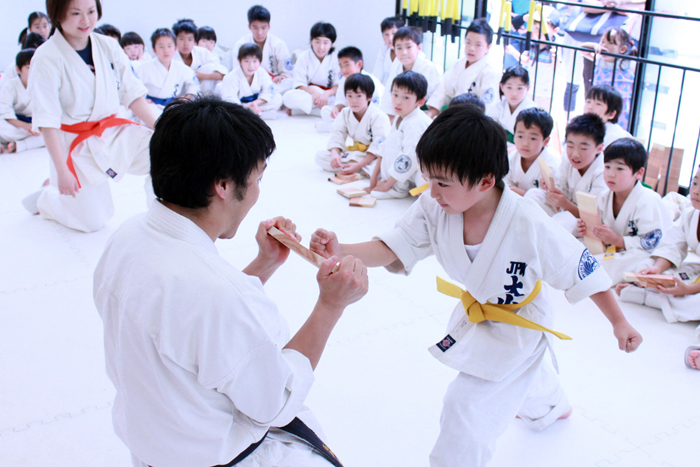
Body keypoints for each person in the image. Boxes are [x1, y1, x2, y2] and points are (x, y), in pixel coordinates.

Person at [310, 104, 642, 467]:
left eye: (443, 183)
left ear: (485, 181)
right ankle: (553, 405)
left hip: (520, 321)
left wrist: (619, 322)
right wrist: (341, 249)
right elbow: (396, 245)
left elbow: (582, 270)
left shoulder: (528, 221)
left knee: (465, 407)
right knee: (521, 373)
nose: (432, 191)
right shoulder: (434, 206)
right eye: (429, 178)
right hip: (481, 313)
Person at [94, 95, 369, 467]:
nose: (256, 193)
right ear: (223, 185)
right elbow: (275, 403)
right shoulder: (217, 294)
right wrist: (330, 305)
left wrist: (264, 263)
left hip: (155, 441)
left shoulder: (127, 237)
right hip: (217, 455)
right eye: (257, 179)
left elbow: (192, 328)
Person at [23, 0, 156, 232]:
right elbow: (47, 122)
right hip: (76, 147)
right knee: (92, 222)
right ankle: (48, 198)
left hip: (113, 132)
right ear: (57, 15)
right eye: (75, 13)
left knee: (168, 152)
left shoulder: (107, 45)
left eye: (91, 11)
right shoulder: (46, 57)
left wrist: (161, 128)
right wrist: (62, 171)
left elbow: (132, 93)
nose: (86, 20)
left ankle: (162, 219)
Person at [617, 165, 700, 336]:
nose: (696, 191)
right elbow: (673, 245)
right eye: (695, 183)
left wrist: (688, 290)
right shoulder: (690, 214)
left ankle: (648, 296)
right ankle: (655, 292)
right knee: (646, 265)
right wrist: (656, 270)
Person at [577, 138, 672, 284]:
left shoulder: (648, 200)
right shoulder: (604, 197)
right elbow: (601, 231)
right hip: (612, 249)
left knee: (634, 259)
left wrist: (619, 241)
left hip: (639, 253)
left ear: (639, 173)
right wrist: (588, 229)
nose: (611, 174)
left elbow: (653, 243)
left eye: (620, 169)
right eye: (607, 167)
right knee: (576, 244)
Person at [524, 113, 607, 234]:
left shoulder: (603, 172)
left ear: (599, 148)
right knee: (533, 195)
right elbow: (560, 186)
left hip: (582, 222)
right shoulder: (567, 159)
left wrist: (565, 204)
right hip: (563, 210)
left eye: (583, 148)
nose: (575, 154)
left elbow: (594, 217)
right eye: (570, 146)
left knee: (564, 222)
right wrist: (549, 188)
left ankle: (541, 233)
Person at [366, 71, 431, 199]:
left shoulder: (416, 122)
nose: (398, 102)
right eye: (395, 95)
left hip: (427, 172)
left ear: (420, 101)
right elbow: (384, 148)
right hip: (415, 168)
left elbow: (409, 157)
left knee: (394, 141)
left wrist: (387, 185)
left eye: (406, 97)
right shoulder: (401, 117)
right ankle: (396, 183)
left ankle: (397, 188)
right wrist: (374, 177)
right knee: (390, 141)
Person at [315, 73, 390, 175]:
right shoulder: (345, 113)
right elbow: (337, 134)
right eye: (349, 96)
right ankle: (359, 169)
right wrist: (335, 154)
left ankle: (358, 168)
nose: (354, 101)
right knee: (320, 156)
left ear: (369, 97)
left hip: (373, 156)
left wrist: (358, 165)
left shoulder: (379, 116)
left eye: (359, 96)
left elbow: (379, 146)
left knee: (384, 167)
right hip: (356, 154)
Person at [427, 19, 500, 118]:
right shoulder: (459, 64)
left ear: (488, 47)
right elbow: (443, 90)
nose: (471, 48)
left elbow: (488, 108)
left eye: (478, 45)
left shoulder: (491, 72)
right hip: (454, 115)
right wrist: (431, 114)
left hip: (474, 120)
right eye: (468, 42)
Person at [316, 46, 384, 133]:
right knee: (325, 110)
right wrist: (336, 109)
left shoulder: (369, 80)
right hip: (352, 112)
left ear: (359, 64)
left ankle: (335, 127)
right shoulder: (344, 80)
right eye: (341, 66)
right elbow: (341, 101)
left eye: (347, 65)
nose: (343, 69)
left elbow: (376, 106)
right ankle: (344, 127)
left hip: (369, 116)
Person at [378, 26, 442, 119]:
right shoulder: (396, 65)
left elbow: (438, 99)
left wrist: (428, 118)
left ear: (419, 48)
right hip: (401, 113)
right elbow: (388, 96)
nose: (404, 52)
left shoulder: (428, 68)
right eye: (399, 48)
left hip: (424, 114)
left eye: (408, 47)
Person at [582, 26, 637, 131]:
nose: (604, 46)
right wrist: (594, 46)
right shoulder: (599, 60)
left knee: (617, 129)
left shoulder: (627, 64)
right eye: (602, 42)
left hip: (620, 107)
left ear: (623, 49)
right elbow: (582, 49)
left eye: (611, 43)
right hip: (599, 104)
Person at [136, 28, 199, 118]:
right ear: (154, 50)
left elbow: (194, 84)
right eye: (161, 47)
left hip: (175, 106)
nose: (166, 50)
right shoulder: (144, 68)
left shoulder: (181, 68)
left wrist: (187, 98)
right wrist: (142, 100)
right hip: (152, 106)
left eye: (169, 46)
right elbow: (133, 86)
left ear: (175, 48)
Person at [283, 22, 341, 116]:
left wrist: (326, 94)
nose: (321, 47)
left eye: (325, 42)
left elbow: (338, 86)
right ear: (311, 41)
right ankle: (323, 111)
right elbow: (299, 85)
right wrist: (313, 92)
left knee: (344, 99)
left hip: (329, 95)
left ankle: (298, 111)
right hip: (309, 93)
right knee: (287, 97)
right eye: (317, 42)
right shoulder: (304, 57)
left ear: (331, 44)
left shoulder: (337, 57)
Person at [232, 5, 293, 94]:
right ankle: (262, 95)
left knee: (290, 83)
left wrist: (282, 76)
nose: (259, 32)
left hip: (273, 83)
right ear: (249, 26)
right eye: (255, 28)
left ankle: (264, 95)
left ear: (269, 26)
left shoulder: (278, 44)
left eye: (263, 28)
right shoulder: (241, 45)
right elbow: (236, 72)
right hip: (249, 83)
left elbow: (287, 74)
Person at [504, 107, 559, 196]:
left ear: (545, 141)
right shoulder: (512, 157)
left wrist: (515, 191)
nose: (525, 143)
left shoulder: (552, 166)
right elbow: (504, 185)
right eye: (520, 136)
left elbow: (546, 200)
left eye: (533, 138)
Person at [220, 43, 282, 119]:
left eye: (255, 61)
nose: (251, 65)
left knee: (277, 98)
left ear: (260, 61)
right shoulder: (231, 77)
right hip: (239, 106)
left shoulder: (261, 72)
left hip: (254, 104)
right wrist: (247, 108)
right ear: (239, 61)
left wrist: (255, 103)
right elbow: (229, 100)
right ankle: (259, 114)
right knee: (228, 109)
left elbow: (269, 92)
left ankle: (254, 114)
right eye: (246, 61)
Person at [0, 49, 45, 154]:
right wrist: (25, 126)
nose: (33, 71)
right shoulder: (10, 86)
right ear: (18, 69)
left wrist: (34, 125)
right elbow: (5, 112)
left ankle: (19, 145)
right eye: (28, 68)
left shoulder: (43, 85)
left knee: (55, 131)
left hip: (34, 125)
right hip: (13, 124)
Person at [172, 19, 227, 94]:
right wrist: (193, 76)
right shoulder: (171, 56)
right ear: (175, 40)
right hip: (179, 95)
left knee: (210, 68)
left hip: (203, 94)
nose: (186, 43)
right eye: (181, 39)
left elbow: (224, 74)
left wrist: (201, 76)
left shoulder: (202, 52)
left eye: (190, 39)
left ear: (195, 41)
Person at [485, 65, 536, 143]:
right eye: (509, 87)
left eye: (520, 88)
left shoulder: (532, 111)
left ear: (527, 88)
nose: (514, 93)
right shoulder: (497, 108)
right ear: (502, 86)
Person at [371, 16, 404, 84]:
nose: (390, 38)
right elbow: (376, 75)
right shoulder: (384, 50)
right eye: (386, 34)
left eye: (394, 33)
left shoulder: (407, 52)